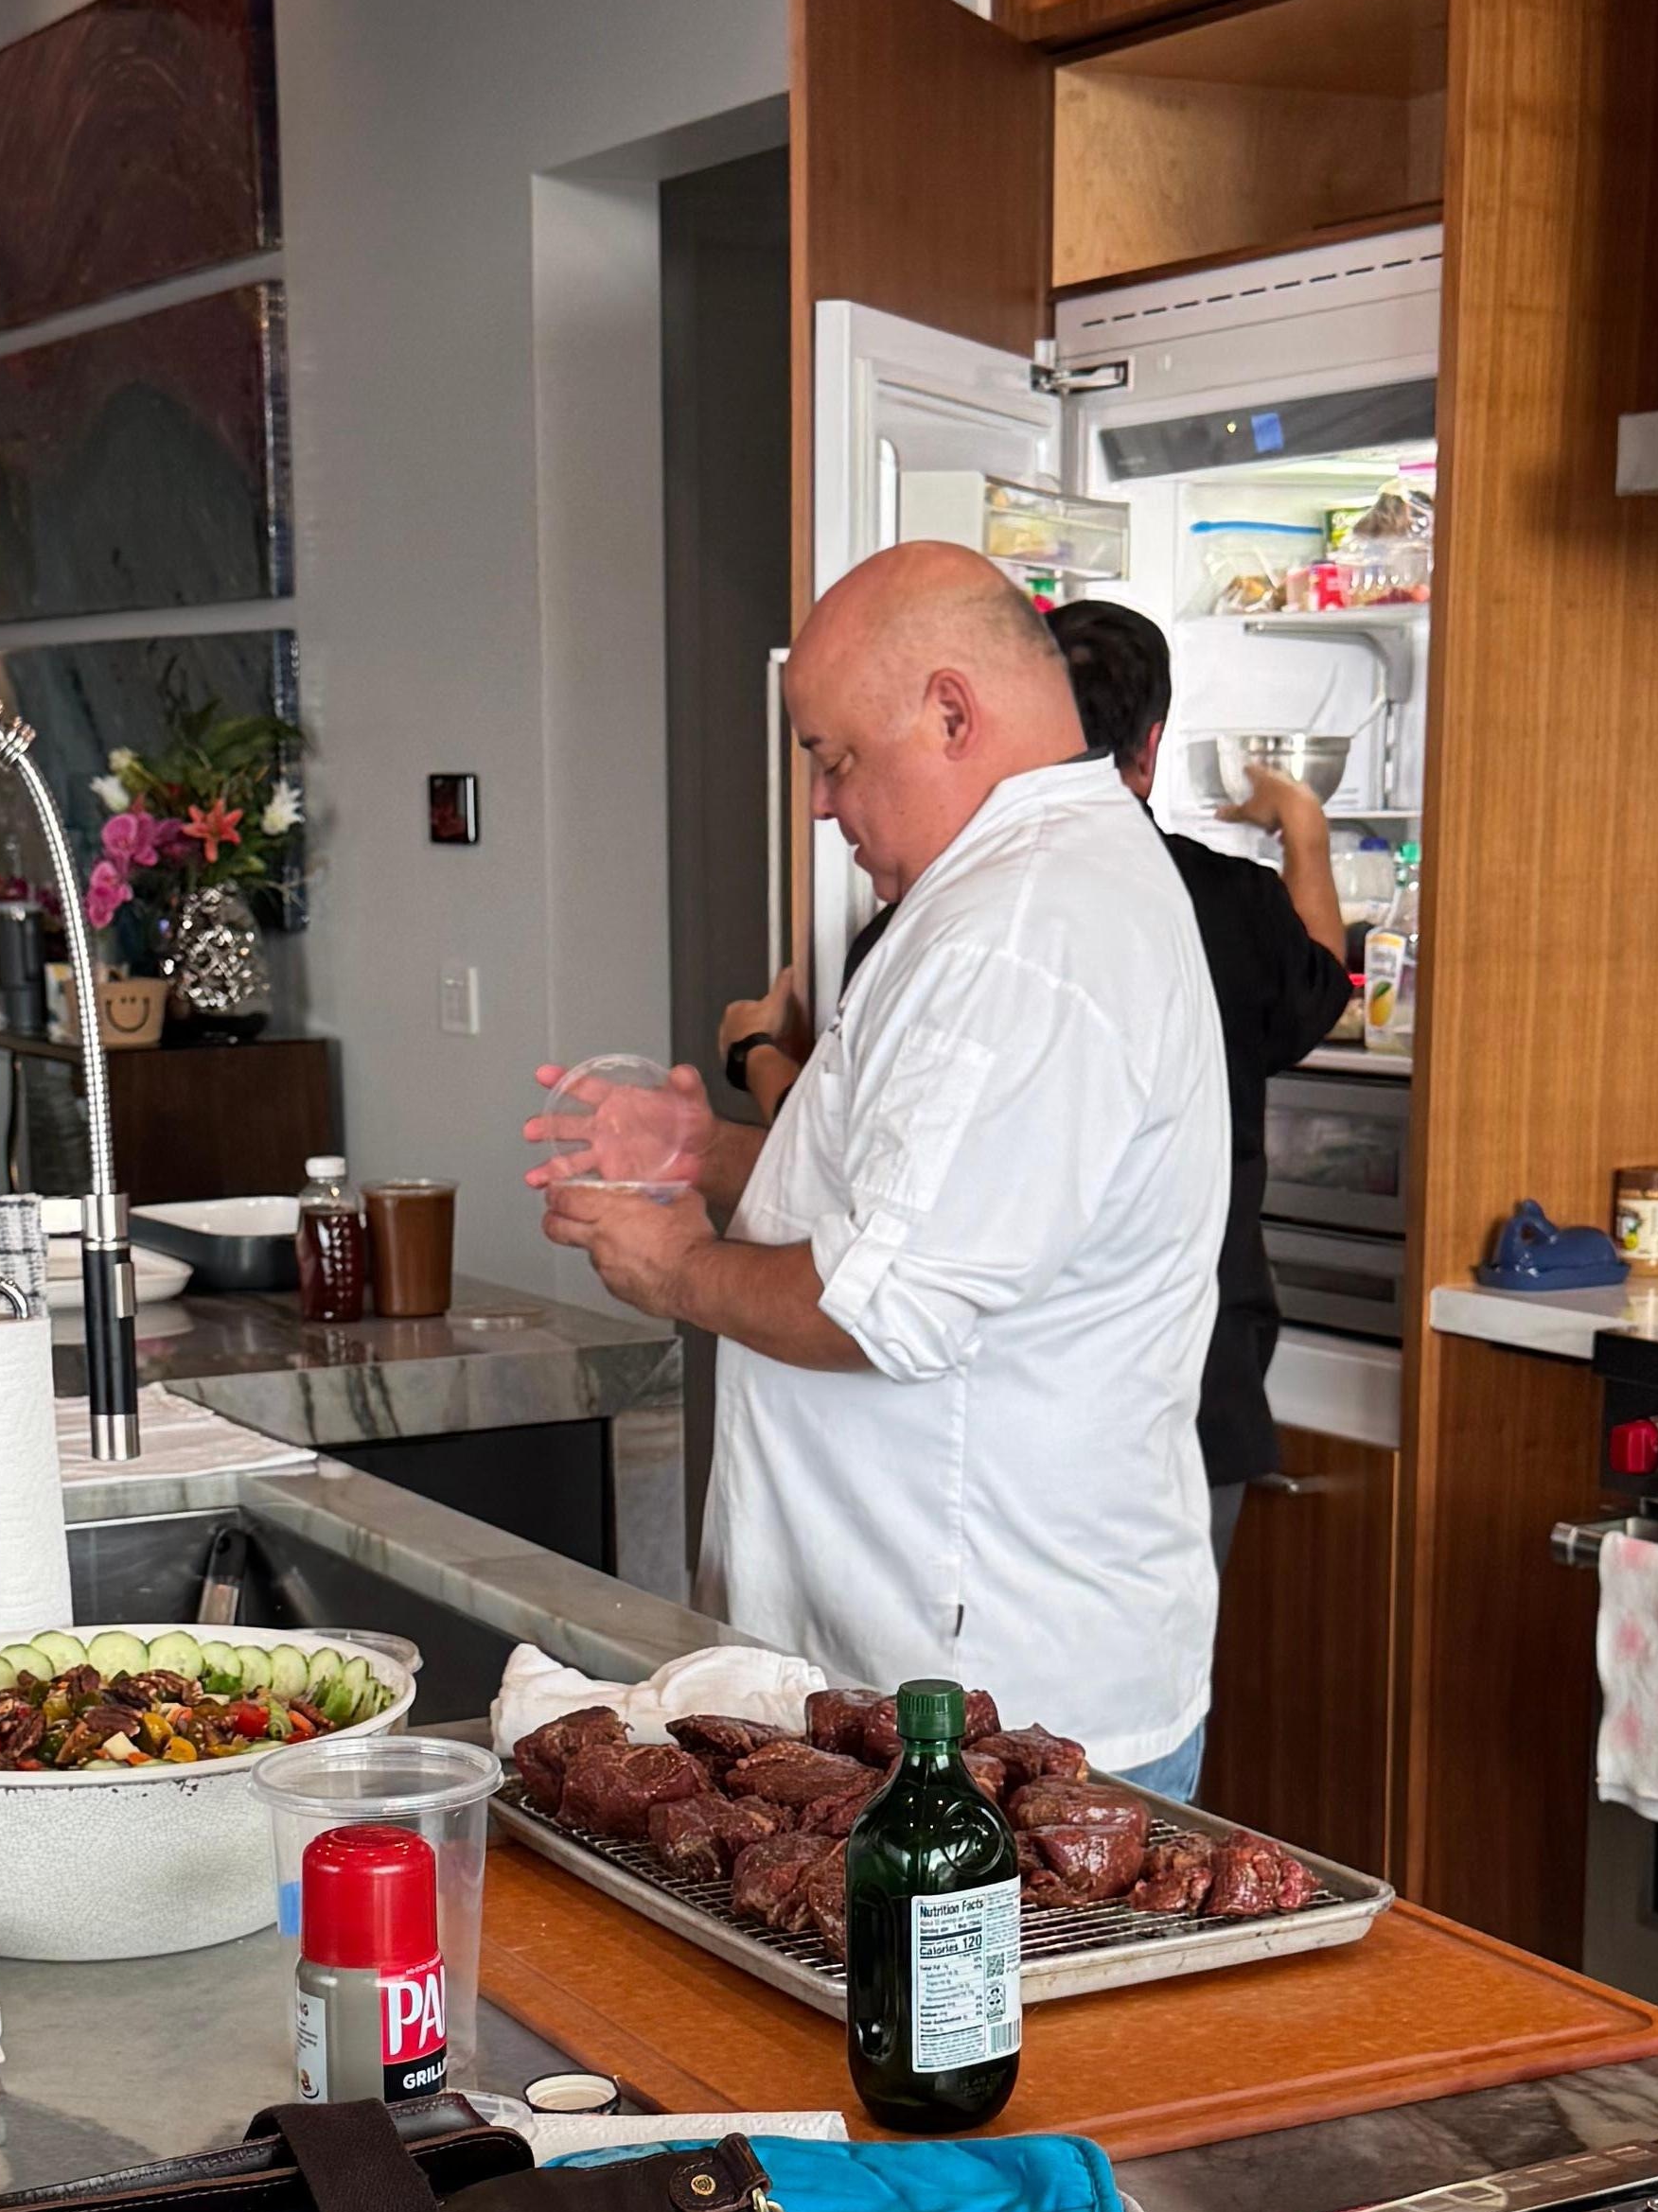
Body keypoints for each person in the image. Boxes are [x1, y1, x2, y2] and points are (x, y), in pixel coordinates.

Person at [533, 540, 1227, 1789]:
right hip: (933, 1675)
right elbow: (927, 1197)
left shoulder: (1019, 933)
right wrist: (721, 1156)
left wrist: (681, 1265)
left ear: (953, 711)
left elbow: (886, 1301)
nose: (817, 802)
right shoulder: (1024, 888)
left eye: (833, 757)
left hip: (989, 1710)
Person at [1044, 596, 1360, 1570]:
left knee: (994, 1712)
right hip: (1194, 1378)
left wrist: (757, 1049)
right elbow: (1321, 994)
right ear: (1152, 742)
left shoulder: (970, 906)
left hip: (1031, 1382)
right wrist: (1302, 829)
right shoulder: (1225, 899)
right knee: (1158, 1694)